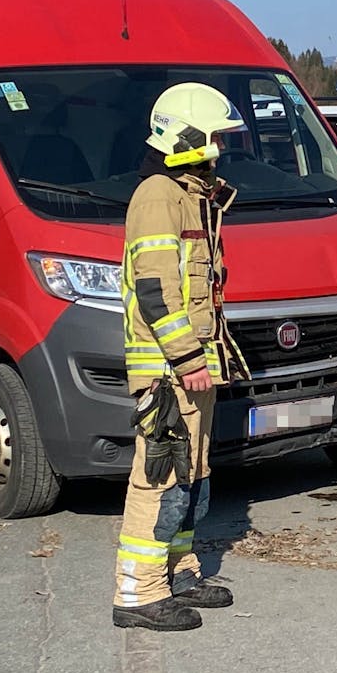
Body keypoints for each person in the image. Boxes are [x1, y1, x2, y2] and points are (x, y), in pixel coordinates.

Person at [113, 82, 250, 633]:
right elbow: (155, 292)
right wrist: (187, 357)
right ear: (191, 139)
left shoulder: (192, 195)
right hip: (169, 369)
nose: (224, 149)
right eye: (218, 139)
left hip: (194, 366)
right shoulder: (158, 196)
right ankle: (138, 593)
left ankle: (180, 571)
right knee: (160, 477)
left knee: (193, 473)